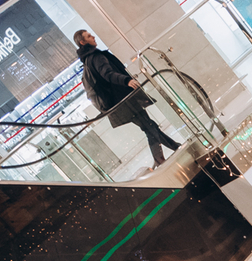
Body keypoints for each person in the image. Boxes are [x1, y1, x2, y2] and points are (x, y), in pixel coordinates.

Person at [74, 31, 183, 167]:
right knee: (149, 126)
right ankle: (159, 160)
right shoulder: (96, 57)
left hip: (118, 103)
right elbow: (108, 74)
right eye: (89, 36)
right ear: (82, 42)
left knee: (149, 126)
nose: (93, 37)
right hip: (125, 100)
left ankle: (174, 147)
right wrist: (126, 81)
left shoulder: (88, 62)